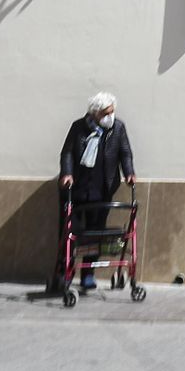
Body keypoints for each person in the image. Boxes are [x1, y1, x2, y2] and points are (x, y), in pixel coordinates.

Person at [59, 91, 136, 293]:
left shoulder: (117, 128)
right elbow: (67, 152)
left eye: (112, 112)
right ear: (95, 113)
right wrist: (67, 173)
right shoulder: (79, 127)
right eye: (105, 113)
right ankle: (63, 272)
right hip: (76, 190)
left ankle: (87, 274)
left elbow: (125, 153)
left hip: (102, 190)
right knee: (69, 233)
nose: (110, 116)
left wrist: (129, 173)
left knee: (95, 233)